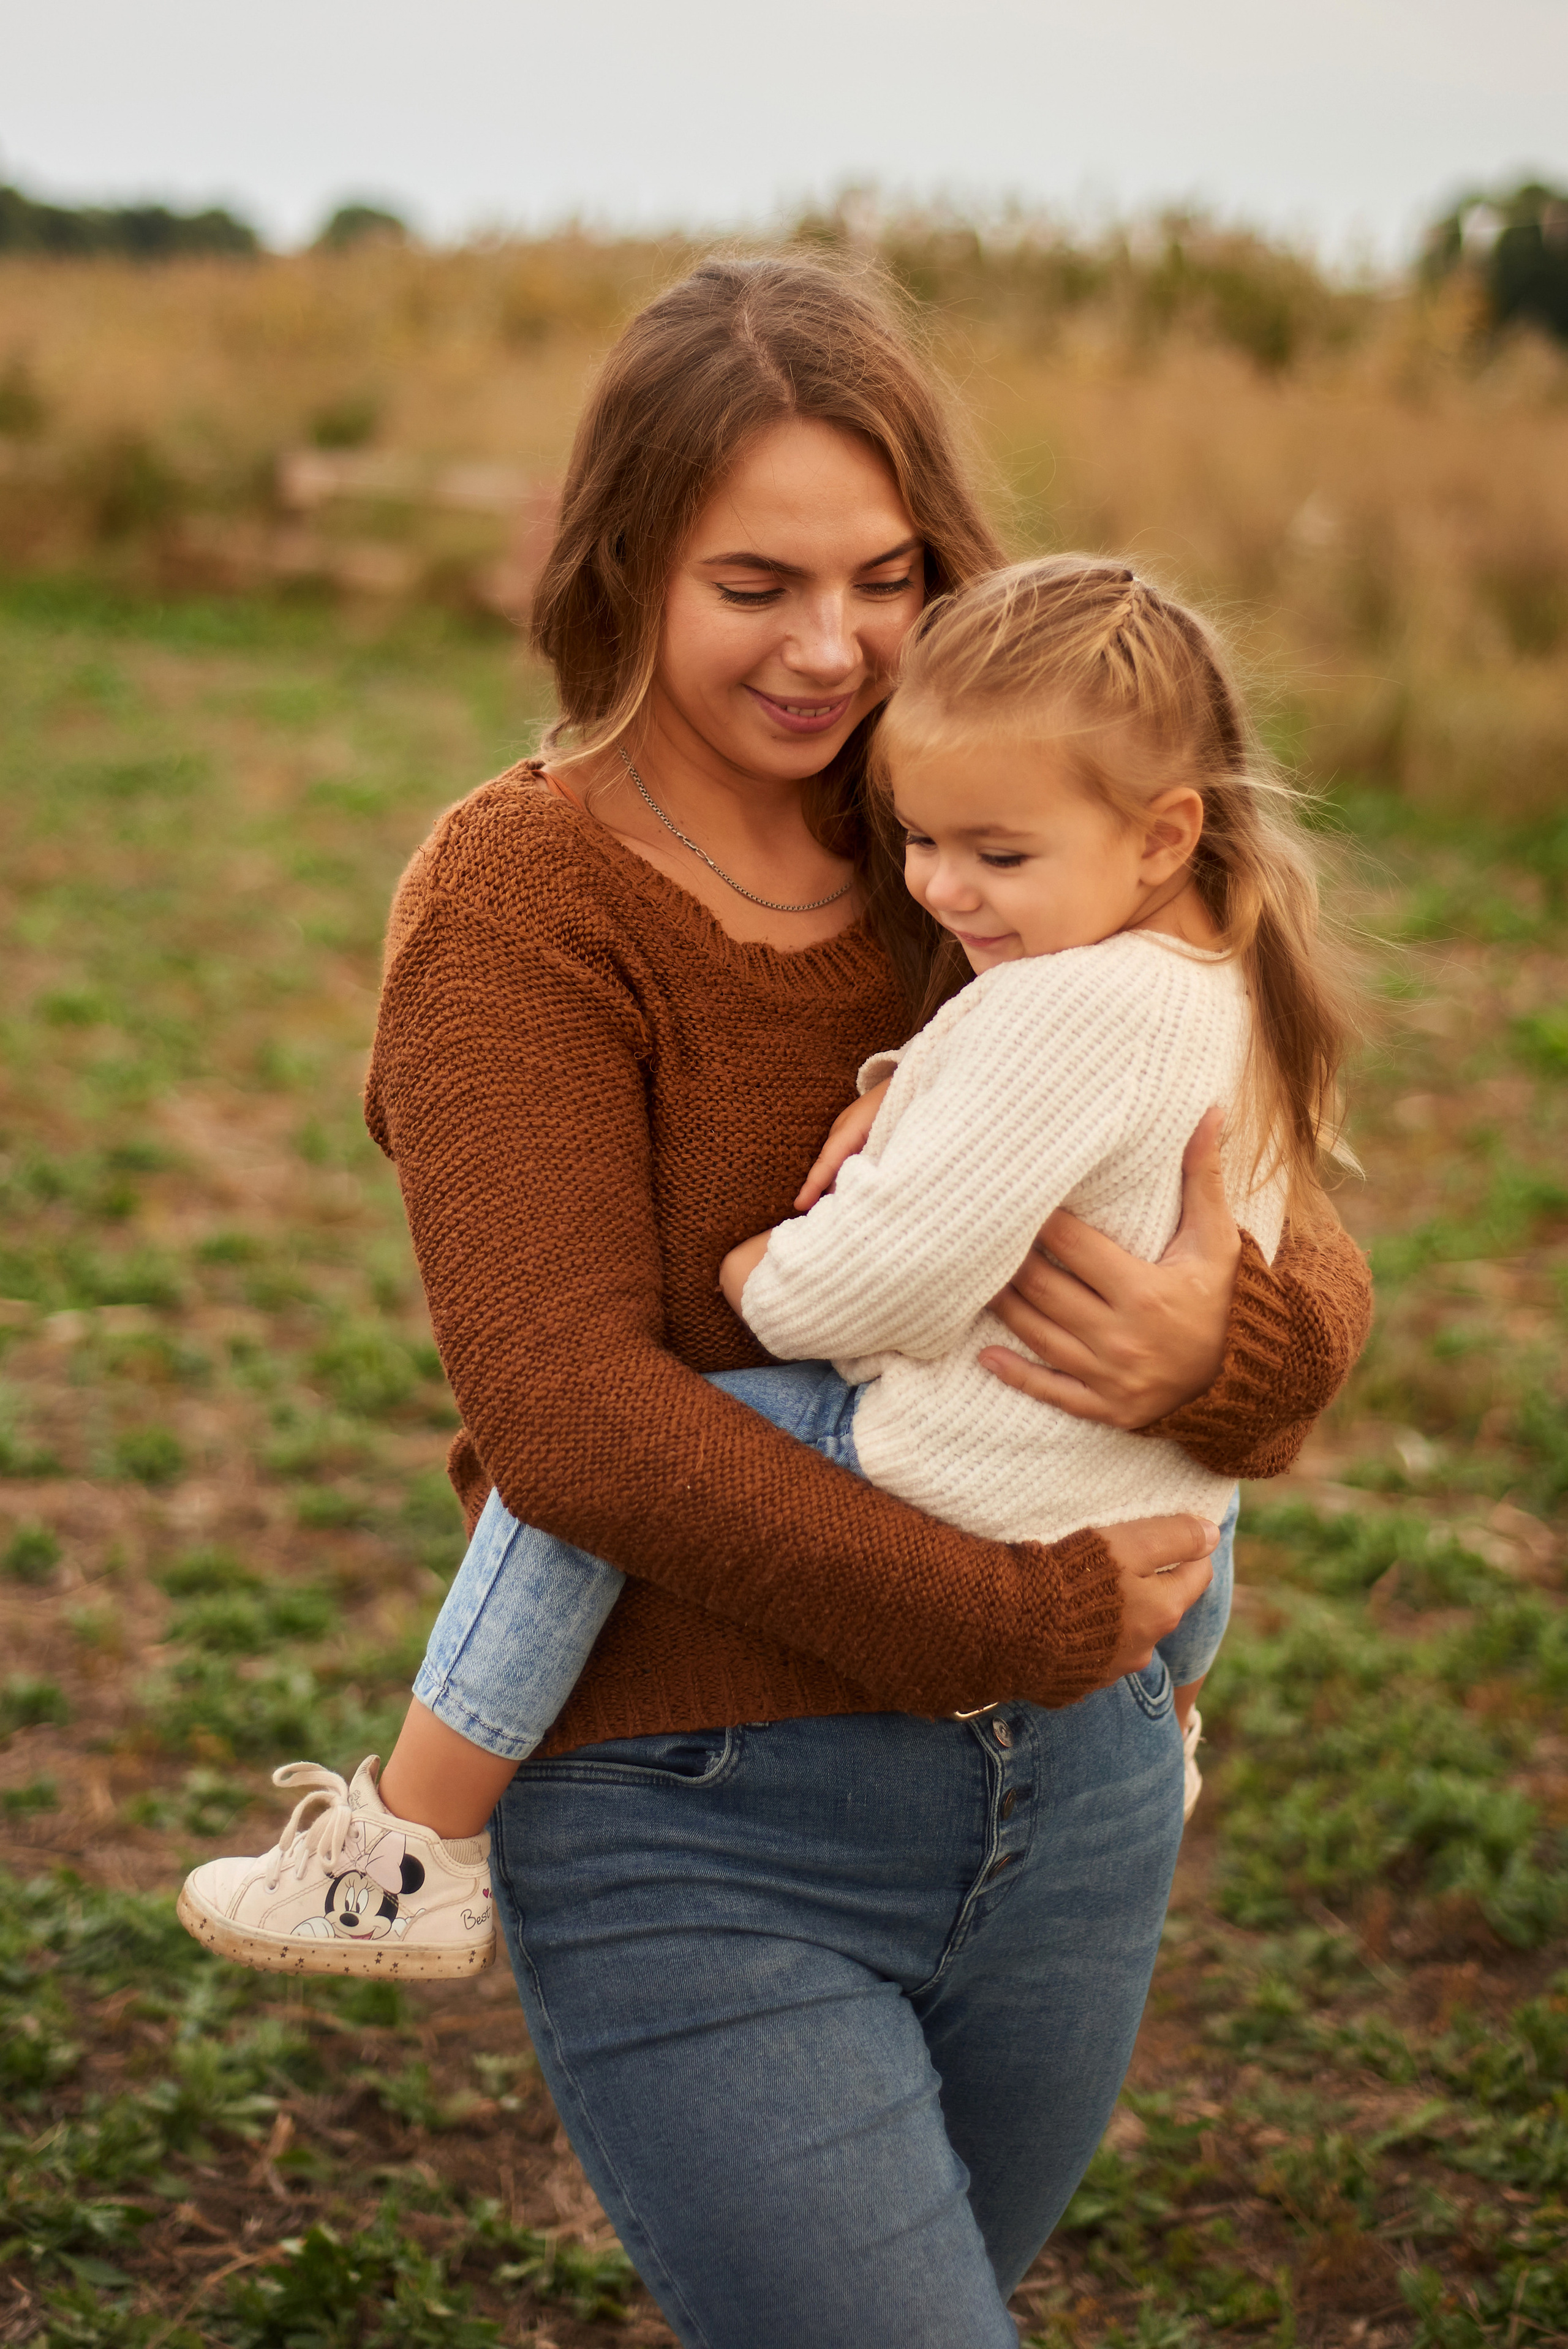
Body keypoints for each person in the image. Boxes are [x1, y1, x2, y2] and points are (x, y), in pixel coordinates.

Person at [178, 257, 1371, 2347]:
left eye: (885, 575)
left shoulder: (1009, 839)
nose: (832, 646)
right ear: (623, 562)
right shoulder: (522, 898)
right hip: (702, 1820)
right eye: (756, 583)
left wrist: (1228, 1351)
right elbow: (565, 1419)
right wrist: (1013, 1617)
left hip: (1083, 1799)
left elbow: (1272, 1182)